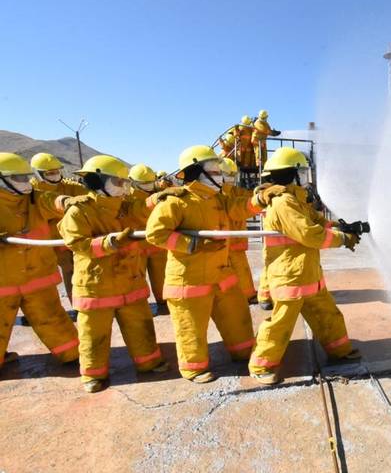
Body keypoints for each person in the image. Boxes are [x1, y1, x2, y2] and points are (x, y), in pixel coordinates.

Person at [144, 145, 278, 383]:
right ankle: (194, 368)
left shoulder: (220, 199)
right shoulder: (175, 202)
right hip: (189, 281)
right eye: (215, 171)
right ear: (196, 171)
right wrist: (195, 244)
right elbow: (156, 234)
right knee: (191, 328)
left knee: (238, 319)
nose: (220, 176)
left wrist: (260, 199)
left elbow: (240, 208)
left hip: (222, 276)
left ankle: (243, 351)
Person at [248, 147, 360, 385]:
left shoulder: (297, 199)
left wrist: (343, 227)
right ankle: (261, 365)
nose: (304, 176)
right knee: (280, 324)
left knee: (328, 315)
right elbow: (310, 234)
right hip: (290, 276)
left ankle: (340, 351)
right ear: (291, 173)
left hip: (307, 273)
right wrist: (342, 239)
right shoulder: (283, 203)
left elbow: (318, 222)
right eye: (300, 171)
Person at [58, 155, 167, 393]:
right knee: (93, 334)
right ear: (98, 181)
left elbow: (141, 208)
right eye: (119, 183)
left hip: (130, 280)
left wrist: (155, 200)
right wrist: (109, 243)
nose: (124, 188)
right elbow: (77, 243)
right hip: (96, 286)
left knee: (140, 325)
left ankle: (148, 362)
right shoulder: (79, 211)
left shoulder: (126, 206)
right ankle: (93, 374)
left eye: (125, 183)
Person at [0, 152, 80, 370]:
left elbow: (50, 200)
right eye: (19, 179)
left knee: (54, 319)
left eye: (27, 177)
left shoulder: (34, 197)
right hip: (3, 283)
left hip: (38, 279)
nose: (26, 183)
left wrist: (65, 201)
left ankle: (72, 354)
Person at [29, 152, 87, 305]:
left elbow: (88, 196)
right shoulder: (29, 190)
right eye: (50, 173)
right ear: (37, 173)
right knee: (40, 279)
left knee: (71, 272)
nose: (55, 175)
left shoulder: (70, 187)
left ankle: (76, 305)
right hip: (41, 243)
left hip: (64, 241)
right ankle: (40, 310)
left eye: (57, 171)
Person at [220, 158, 271, 303]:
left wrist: (261, 193)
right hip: (223, 243)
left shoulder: (236, 191)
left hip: (236, 241)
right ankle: (230, 298)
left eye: (233, 175)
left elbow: (249, 197)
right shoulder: (215, 195)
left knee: (242, 270)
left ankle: (248, 295)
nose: (231, 179)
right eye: (228, 175)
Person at [127, 164, 168, 315]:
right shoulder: (127, 197)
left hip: (156, 244)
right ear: (133, 182)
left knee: (161, 277)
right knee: (137, 278)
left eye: (150, 182)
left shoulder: (158, 192)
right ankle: (139, 307)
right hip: (137, 245)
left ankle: (164, 303)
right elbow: (138, 211)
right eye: (144, 183)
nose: (148, 186)